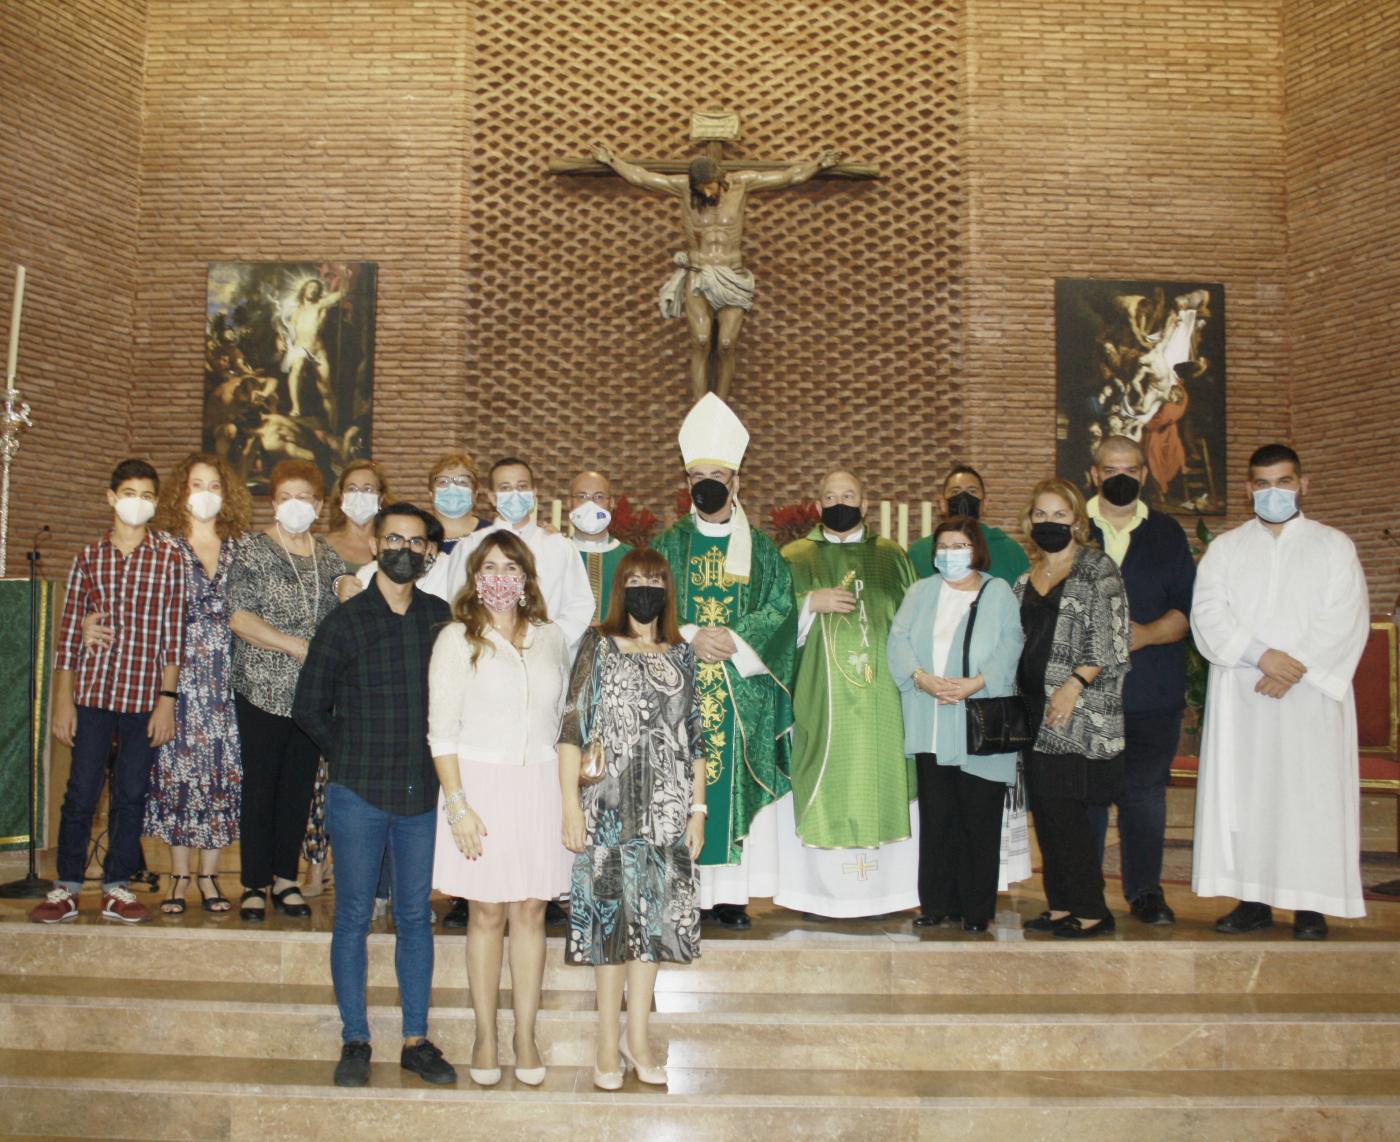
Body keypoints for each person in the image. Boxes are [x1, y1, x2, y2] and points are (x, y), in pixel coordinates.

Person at [293, 502, 457, 1088]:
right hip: (358, 791)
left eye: (416, 543)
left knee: (415, 916)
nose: (404, 550)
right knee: (354, 918)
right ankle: (355, 1038)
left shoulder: (441, 618)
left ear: (429, 553)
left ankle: (416, 1039)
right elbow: (308, 705)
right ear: (373, 542)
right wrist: (350, 751)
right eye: (394, 539)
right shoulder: (344, 621)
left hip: (419, 791)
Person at [1191, 444, 1369, 940]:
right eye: (1263, 483)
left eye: (1284, 481)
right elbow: (1208, 612)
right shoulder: (1226, 548)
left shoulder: (1334, 546)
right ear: (1249, 488)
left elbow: (1344, 617)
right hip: (1244, 693)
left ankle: (1312, 906)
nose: (1274, 492)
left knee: (1310, 798)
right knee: (1248, 796)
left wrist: (1292, 668)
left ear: (1303, 484)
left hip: (1310, 697)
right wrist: (1258, 655)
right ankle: (1252, 900)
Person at [429, 532, 573, 1087]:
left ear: (527, 577)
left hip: (540, 782)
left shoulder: (551, 637)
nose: (500, 577)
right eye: (489, 567)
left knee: (532, 911)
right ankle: (486, 1034)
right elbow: (441, 732)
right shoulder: (456, 639)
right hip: (480, 786)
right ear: (473, 577)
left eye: (510, 566)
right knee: (487, 912)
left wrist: (571, 792)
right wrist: (459, 806)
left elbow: (565, 719)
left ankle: (526, 1034)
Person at [560, 549, 706, 1090]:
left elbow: (697, 737)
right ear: (621, 588)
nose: (647, 588)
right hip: (606, 807)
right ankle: (605, 1042)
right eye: (637, 579)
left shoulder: (683, 652)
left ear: (669, 589)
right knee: (608, 926)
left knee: (654, 926)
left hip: (668, 810)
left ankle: (637, 1037)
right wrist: (570, 805)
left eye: (657, 580)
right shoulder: (597, 645)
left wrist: (698, 809)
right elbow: (571, 728)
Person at [652, 395, 797, 929]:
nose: (706, 484)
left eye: (717, 474)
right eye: (696, 475)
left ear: (736, 482)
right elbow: (646, 602)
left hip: (740, 686)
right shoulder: (667, 544)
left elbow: (781, 606)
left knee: (731, 777)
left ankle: (731, 895)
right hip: (679, 683)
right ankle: (680, 887)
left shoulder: (762, 551)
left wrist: (734, 639)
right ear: (686, 482)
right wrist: (689, 635)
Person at [31, 460, 186, 925]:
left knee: (131, 792)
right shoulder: (88, 557)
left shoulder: (169, 558)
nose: (136, 501)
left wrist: (168, 701)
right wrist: (63, 700)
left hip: (144, 698)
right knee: (80, 791)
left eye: (146, 494)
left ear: (156, 504)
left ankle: (117, 885)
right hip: (94, 693)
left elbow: (173, 636)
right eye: (128, 492)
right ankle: (68, 886)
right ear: (111, 497)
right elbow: (67, 637)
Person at [591, 143, 845, 400]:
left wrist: (818, 164)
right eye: (699, 188)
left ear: (719, 178)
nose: (705, 191)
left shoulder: (742, 184)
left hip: (732, 274)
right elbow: (643, 178)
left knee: (725, 344)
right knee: (701, 341)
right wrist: (612, 160)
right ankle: (700, 406)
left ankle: (720, 406)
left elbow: (789, 177)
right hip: (699, 274)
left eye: (709, 185)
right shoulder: (683, 189)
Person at [775, 470, 920, 919]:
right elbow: (767, 627)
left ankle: (888, 893)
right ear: (818, 506)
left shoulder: (892, 557)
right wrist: (806, 605)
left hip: (884, 707)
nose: (840, 502)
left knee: (882, 774)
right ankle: (816, 894)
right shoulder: (793, 557)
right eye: (830, 496)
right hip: (819, 701)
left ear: (865, 501)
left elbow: (913, 626)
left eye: (849, 495)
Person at [888, 518, 1024, 932]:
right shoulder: (921, 591)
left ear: (976, 549)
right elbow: (899, 638)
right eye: (944, 546)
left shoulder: (996, 591)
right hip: (931, 719)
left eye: (960, 545)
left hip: (977, 719)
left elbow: (1011, 642)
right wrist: (920, 678)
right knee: (938, 818)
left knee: (978, 820)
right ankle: (936, 903)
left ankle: (976, 909)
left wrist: (977, 683)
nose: (951, 553)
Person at [226, 459, 346, 922]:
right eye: (285, 498)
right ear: (273, 504)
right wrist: (295, 646)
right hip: (260, 687)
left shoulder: (328, 556)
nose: (295, 506)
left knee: (298, 788)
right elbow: (239, 617)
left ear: (319, 505)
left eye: (305, 498)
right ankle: (254, 883)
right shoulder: (254, 551)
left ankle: (285, 878)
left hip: (311, 697)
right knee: (261, 787)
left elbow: (345, 600)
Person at [1084, 436, 1196, 925]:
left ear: (1145, 474)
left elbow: (1187, 612)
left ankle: (1145, 892)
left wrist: (1145, 634)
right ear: (1094, 474)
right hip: (1084, 694)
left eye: (1130, 468)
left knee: (1145, 796)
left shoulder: (1168, 533)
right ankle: (1082, 890)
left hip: (1152, 690)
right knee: (1085, 794)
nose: (1120, 477)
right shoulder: (1069, 526)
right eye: (1110, 469)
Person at [1014, 478, 1131, 939]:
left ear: (1077, 521)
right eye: (1041, 515)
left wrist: (1073, 686)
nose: (1049, 523)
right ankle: (1060, 904)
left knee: (1069, 813)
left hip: (1077, 711)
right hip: (1033, 711)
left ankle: (1092, 909)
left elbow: (1112, 640)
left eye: (1059, 515)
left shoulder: (1097, 568)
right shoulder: (1026, 578)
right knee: (1046, 810)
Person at [138, 453, 249, 914]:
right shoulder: (160, 545)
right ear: (181, 492)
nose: (205, 493)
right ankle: (178, 877)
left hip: (228, 676)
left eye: (214, 486)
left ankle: (211, 876)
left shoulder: (241, 546)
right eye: (196, 484)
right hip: (176, 674)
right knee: (176, 775)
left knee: (222, 775)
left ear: (227, 495)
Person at [440, 457, 596, 657]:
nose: (515, 494)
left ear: (534, 493)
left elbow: (579, 604)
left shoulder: (560, 546)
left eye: (522, 487)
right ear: (492, 497)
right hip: (488, 655)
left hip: (549, 657)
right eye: (505, 488)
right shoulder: (470, 546)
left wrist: (547, 640)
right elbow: (459, 605)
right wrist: (496, 642)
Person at [907, 465, 1030, 586]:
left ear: (985, 504)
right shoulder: (919, 552)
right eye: (955, 491)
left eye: (972, 491)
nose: (964, 498)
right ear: (943, 504)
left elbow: (1023, 600)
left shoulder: (1010, 552)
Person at [568, 469, 633, 623]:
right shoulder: (555, 553)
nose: (590, 504)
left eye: (599, 497)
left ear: (611, 503)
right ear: (569, 503)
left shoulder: (631, 558)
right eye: (582, 497)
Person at [325, 459, 391, 572]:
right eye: (352, 489)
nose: (359, 495)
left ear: (380, 499)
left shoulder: (391, 547)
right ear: (341, 497)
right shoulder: (322, 547)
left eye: (368, 489)